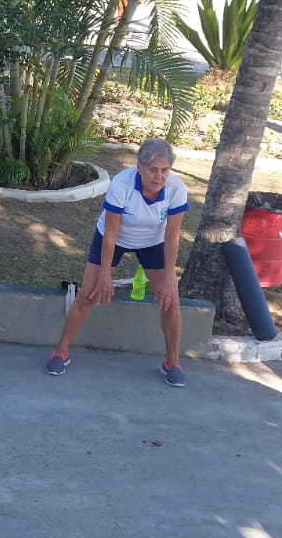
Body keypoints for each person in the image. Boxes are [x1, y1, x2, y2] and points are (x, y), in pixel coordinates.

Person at [45, 138, 189, 386]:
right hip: (115, 238)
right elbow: (111, 235)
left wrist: (169, 277)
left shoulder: (177, 189)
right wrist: (105, 275)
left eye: (165, 170)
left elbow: (172, 236)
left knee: (170, 300)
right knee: (87, 295)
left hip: (154, 242)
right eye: (153, 170)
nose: (159, 176)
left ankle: (172, 363)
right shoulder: (121, 184)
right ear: (139, 167)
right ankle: (60, 352)